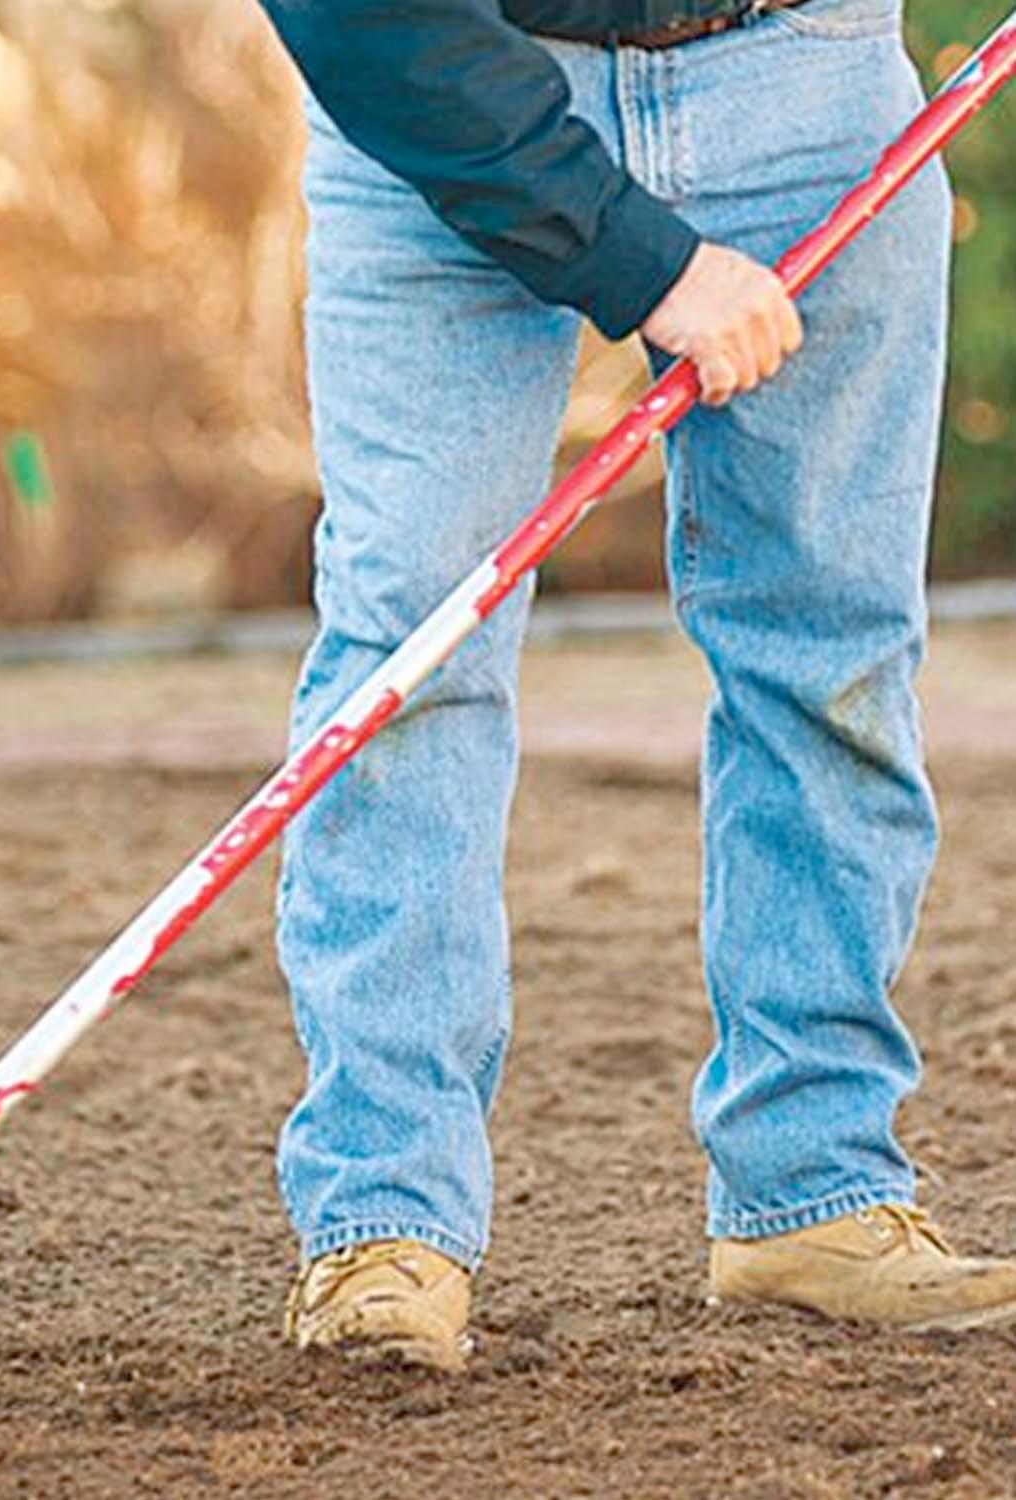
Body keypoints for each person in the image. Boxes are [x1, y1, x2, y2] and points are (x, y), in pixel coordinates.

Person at [256, 0, 1016, 1372]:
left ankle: (814, 1194)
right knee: (410, 656)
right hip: (445, 99)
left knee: (830, 654)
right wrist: (640, 262)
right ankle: (383, 1222)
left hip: (809, 77)